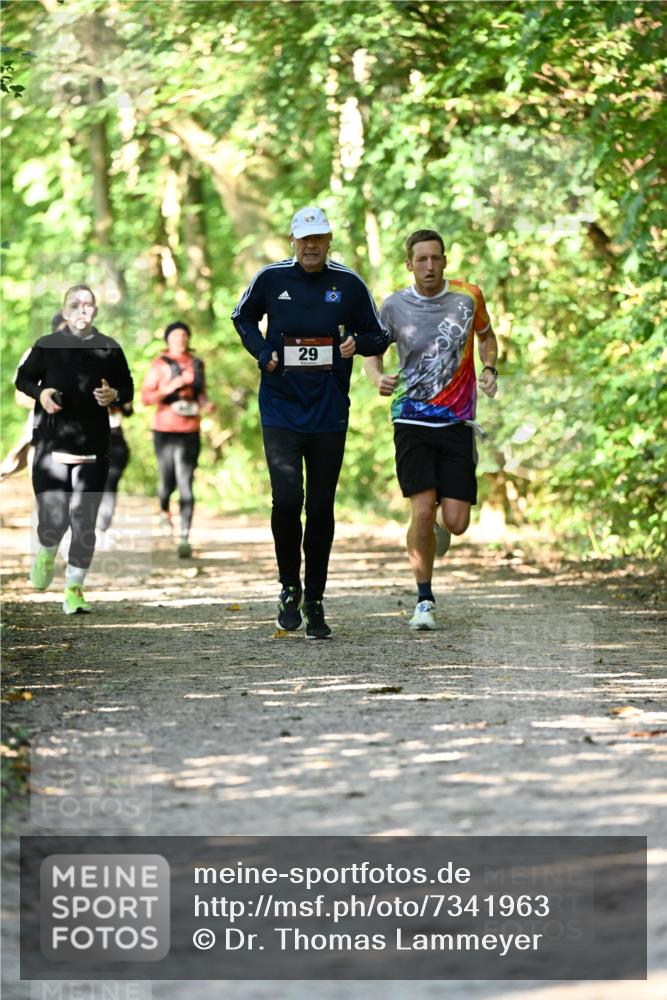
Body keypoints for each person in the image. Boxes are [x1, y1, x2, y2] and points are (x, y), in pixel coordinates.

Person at [232, 206, 388, 639]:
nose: (312, 246)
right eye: (305, 239)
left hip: (329, 411)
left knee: (320, 507)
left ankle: (315, 597)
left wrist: (358, 343)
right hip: (280, 407)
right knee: (286, 500)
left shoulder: (349, 283)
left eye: (319, 238)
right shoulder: (271, 278)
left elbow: (379, 334)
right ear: (293, 241)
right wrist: (263, 353)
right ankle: (288, 587)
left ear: (329, 240)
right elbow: (240, 317)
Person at [364, 229, 499, 631]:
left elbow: (486, 336)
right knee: (421, 509)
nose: (429, 266)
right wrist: (377, 378)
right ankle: (424, 599)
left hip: (457, 421)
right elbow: (374, 351)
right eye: (421, 259)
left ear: (444, 261)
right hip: (410, 419)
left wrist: (489, 369)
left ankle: (440, 525)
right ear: (409, 264)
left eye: (436, 258)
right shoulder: (393, 306)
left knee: (456, 522)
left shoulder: (468, 297)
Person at [15, 285, 134, 614]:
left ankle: (74, 588)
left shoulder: (109, 348)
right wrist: (40, 394)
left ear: (95, 311)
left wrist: (115, 396)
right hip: (51, 447)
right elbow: (23, 379)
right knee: (54, 519)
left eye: (89, 304)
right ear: (65, 311)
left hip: (94, 447)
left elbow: (127, 387)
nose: (83, 309)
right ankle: (47, 548)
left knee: (84, 521)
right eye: (76, 304)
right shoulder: (47, 346)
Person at [141, 321, 213, 558]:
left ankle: (184, 536)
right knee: (167, 482)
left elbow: (200, 393)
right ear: (167, 340)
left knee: (186, 484)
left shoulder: (197, 364)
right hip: (164, 430)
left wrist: (206, 405)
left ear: (188, 339)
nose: (180, 340)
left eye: (184, 335)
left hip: (190, 430)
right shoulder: (159, 365)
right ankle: (163, 509)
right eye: (175, 336)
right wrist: (173, 385)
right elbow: (146, 398)